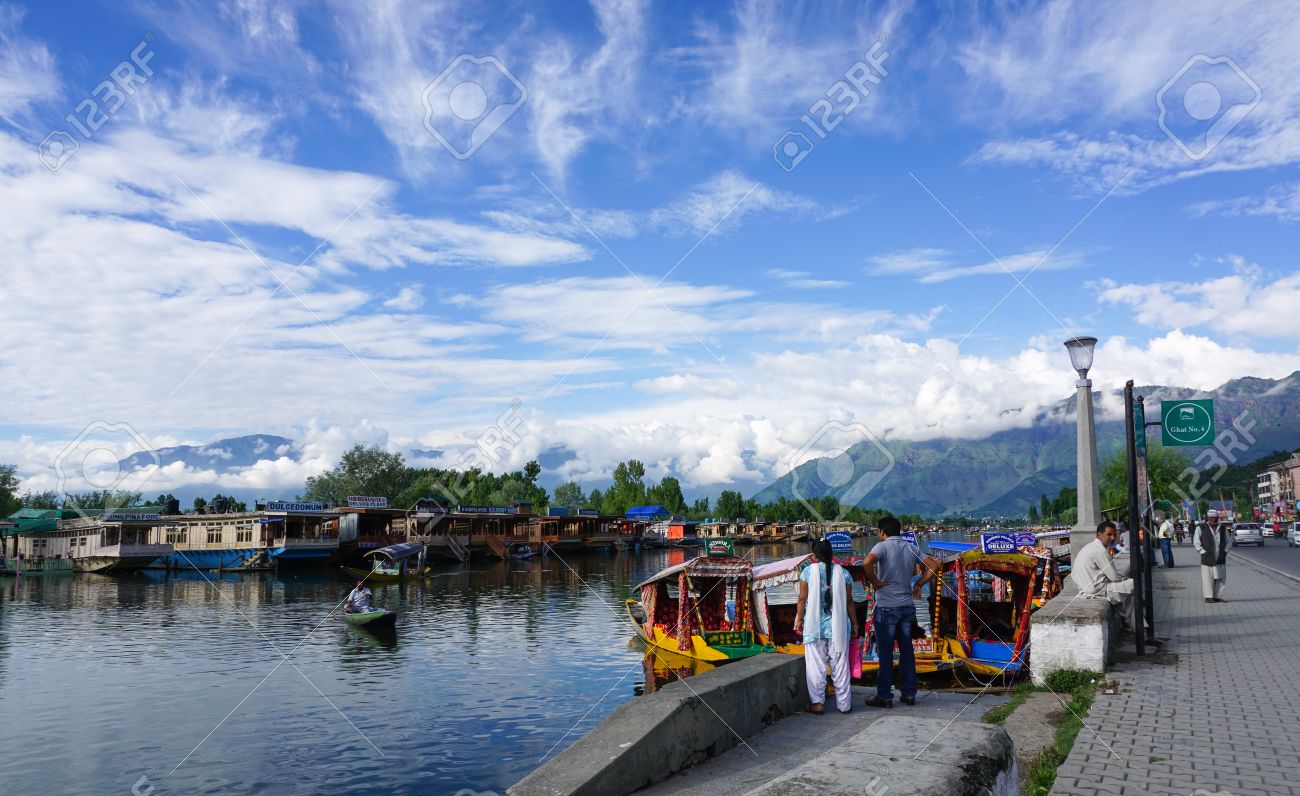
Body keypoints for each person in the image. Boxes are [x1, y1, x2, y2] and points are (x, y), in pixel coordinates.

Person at [862, 516, 930, 708]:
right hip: (907, 607)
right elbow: (933, 566)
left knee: (885, 653)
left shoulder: (881, 546)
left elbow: (867, 562)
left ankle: (884, 695)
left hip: (887, 607)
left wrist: (875, 582)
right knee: (907, 651)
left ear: (882, 532)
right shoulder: (911, 547)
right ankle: (909, 694)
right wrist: (918, 584)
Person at [793, 539, 857, 714]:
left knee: (815, 666)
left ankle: (818, 704)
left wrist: (799, 620)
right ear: (831, 554)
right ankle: (844, 705)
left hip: (814, 628)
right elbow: (849, 602)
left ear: (814, 556)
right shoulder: (844, 574)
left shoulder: (807, 572)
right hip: (839, 627)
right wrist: (856, 624)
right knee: (840, 666)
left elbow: (802, 599)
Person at [1072, 521, 1135, 628]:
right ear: (1098, 535)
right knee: (1133, 584)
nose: (1112, 538)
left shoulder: (1089, 547)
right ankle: (1134, 624)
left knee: (1128, 597)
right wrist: (1124, 578)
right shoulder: (1101, 551)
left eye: (1114, 535)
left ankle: (1132, 623)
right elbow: (1114, 577)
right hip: (1097, 590)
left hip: (1085, 588)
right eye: (1109, 534)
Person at [1194, 509, 1229, 604]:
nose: (1214, 520)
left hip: (1220, 557)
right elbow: (1196, 542)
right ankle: (1208, 597)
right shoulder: (1201, 527)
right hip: (1207, 557)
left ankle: (1218, 596)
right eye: (1211, 518)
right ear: (1208, 518)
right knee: (1207, 578)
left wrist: (1225, 551)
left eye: (1215, 518)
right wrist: (1202, 552)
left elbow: (1228, 541)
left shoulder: (1222, 528)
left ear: (1218, 518)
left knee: (1220, 578)